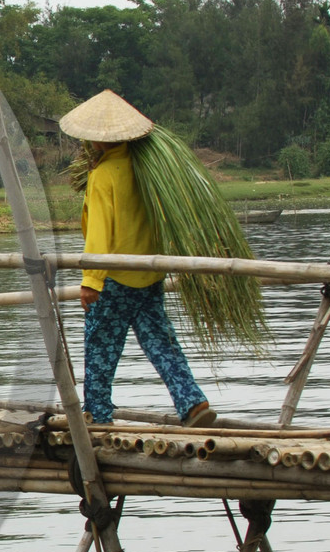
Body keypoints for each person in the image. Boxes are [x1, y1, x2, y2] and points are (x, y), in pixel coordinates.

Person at [62, 90, 215, 427]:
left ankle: (98, 415)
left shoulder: (104, 176)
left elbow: (100, 235)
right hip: (149, 274)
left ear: (97, 140)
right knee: (161, 342)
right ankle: (192, 402)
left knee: (101, 345)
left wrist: (91, 282)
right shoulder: (148, 170)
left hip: (115, 279)